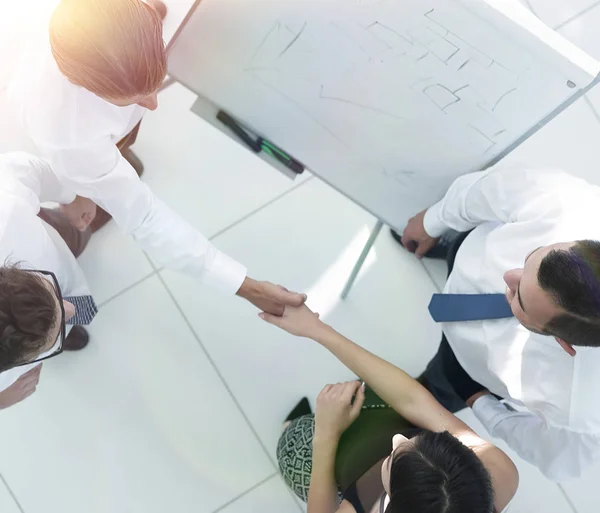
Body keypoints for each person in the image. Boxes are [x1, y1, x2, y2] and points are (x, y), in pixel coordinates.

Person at [7, 0, 304, 316]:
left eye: (156, 79)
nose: (153, 105)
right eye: (129, 101)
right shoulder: (71, 136)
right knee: (99, 189)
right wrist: (245, 286)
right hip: (72, 155)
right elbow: (145, 218)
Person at [388, 163, 600, 481]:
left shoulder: (587, 407)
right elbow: (486, 192)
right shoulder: (570, 204)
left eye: (520, 300)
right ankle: (445, 248)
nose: (508, 275)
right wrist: (433, 222)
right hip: (471, 251)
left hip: (466, 372)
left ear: (562, 343)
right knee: (462, 240)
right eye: (533, 255)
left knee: (421, 398)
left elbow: (559, 456)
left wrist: (482, 404)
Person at [260, 304, 518, 513]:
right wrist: (318, 330)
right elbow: (413, 400)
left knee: (294, 444)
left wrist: (325, 436)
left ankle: (292, 433)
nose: (398, 440)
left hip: (343, 466)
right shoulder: (499, 472)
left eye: (393, 458)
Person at [0, 152, 97, 409]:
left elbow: (29, 170)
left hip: (52, 242)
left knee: (79, 238)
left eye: (48, 289)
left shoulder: (6, 206)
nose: (69, 307)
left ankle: (58, 335)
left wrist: (72, 197)